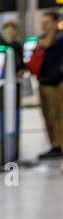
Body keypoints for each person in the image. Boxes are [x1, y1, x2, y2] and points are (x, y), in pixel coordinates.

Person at [32, 11, 63, 160]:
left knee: (58, 114)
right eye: (43, 23)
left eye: (47, 22)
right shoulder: (41, 40)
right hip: (43, 81)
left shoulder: (60, 39)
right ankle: (53, 145)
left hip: (58, 83)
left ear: (55, 23)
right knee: (47, 115)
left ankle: (59, 145)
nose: (44, 25)